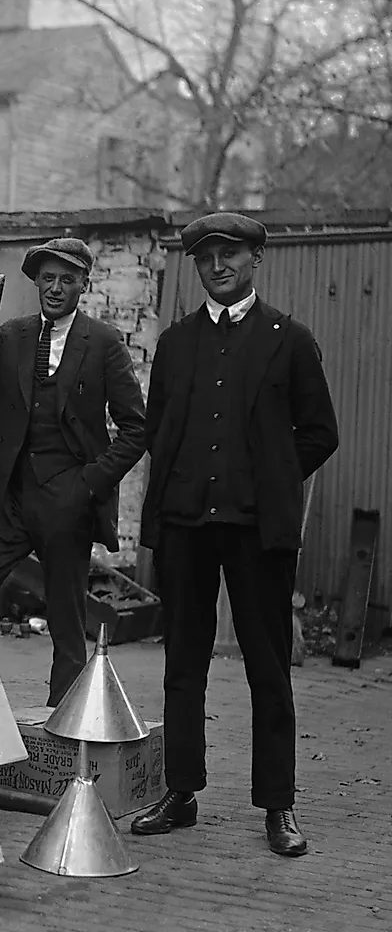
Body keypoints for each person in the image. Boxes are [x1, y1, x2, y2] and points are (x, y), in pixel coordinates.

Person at [132, 213, 338, 857]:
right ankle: (180, 792)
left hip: (256, 532)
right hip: (186, 528)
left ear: (255, 259)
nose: (218, 266)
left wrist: (272, 479)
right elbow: (161, 431)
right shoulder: (176, 343)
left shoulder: (290, 340)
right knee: (182, 667)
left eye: (230, 254)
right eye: (206, 258)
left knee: (268, 669)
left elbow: (319, 432)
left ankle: (279, 806)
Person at [0, 238, 146, 704]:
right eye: (48, 278)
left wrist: (86, 485)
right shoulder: (12, 335)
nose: (55, 288)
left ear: (83, 286)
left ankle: (62, 732)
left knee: (68, 622)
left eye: (67, 280)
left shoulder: (104, 344)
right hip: (8, 501)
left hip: (67, 504)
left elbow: (137, 430)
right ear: (36, 282)